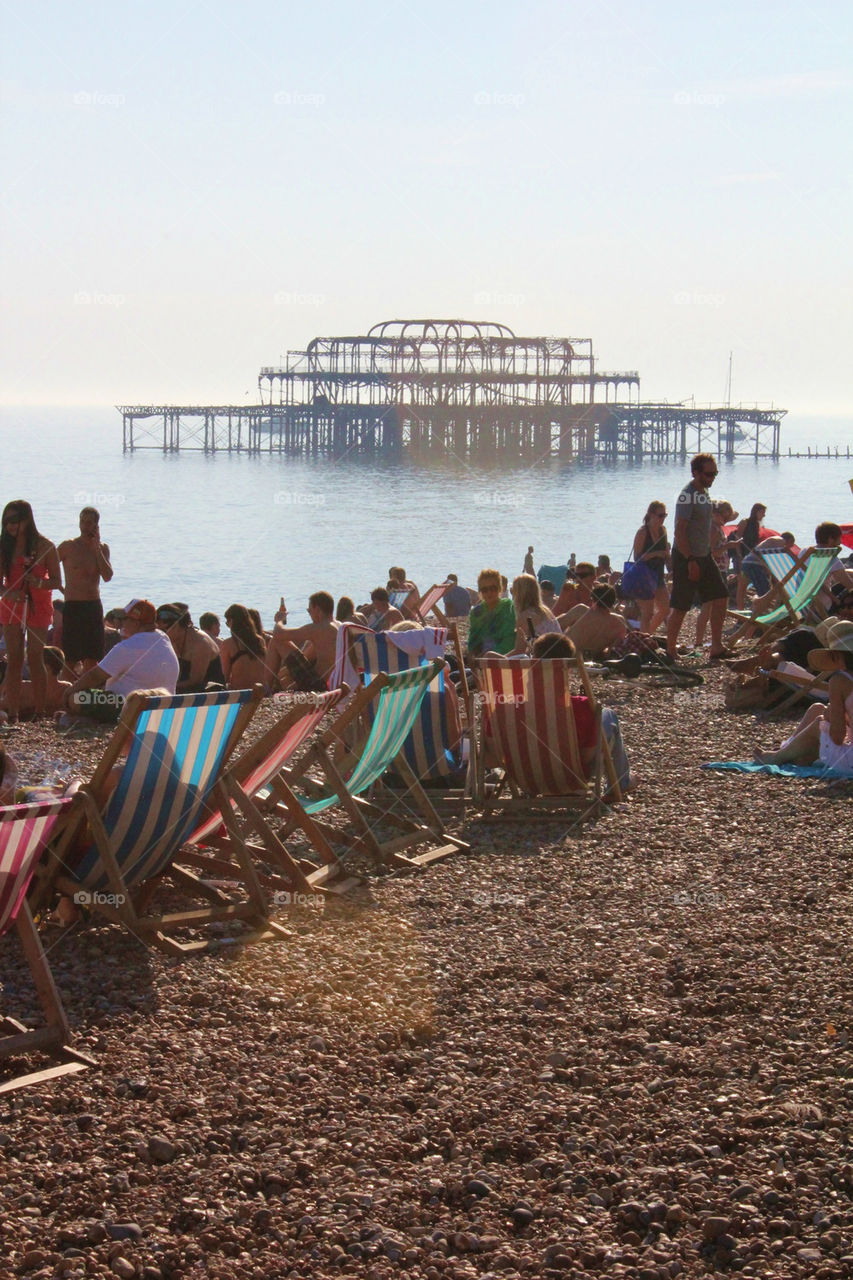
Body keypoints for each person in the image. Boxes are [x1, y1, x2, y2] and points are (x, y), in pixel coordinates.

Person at [754, 621, 853, 775]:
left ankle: (777, 757)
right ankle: (789, 751)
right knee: (817, 708)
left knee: (819, 723)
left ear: (837, 655)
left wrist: (833, 715)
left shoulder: (840, 680)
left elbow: (837, 738)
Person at [62, 599, 179, 722]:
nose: (121, 624)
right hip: (162, 705)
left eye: (125, 619)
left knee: (76, 698)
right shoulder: (162, 637)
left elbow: (95, 676)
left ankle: (93, 720)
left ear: (136, 622)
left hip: (128, 705)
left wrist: (69, 691)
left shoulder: (130, 646)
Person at [0, 500, 62, 721]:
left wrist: (39, 583)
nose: (10, 526)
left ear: (27, 520)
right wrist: (9, 593)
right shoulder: (3, 545)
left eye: (14, 521)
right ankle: (13, 712)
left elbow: (56, 581)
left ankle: (39, 711)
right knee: (14, 658)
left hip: (39, 606)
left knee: (36, 657)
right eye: (6, 520)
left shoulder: (45, 546)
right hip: (11, 605)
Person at [665, 453, 728, 661]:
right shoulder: (687, 495)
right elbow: (679, 531)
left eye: (715, 473)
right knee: (681, 605)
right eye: (708, 474)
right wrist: (690, 560)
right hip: (687, 556)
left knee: (720, 597)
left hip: (704, 555)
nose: (712, 477)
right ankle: (670, 649)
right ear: (695, 472)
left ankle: (717, 646)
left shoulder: (704, 492)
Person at [57, 507, 113, 673]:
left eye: (89, 522)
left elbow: (107, 575)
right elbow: (48, 567)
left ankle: (89, 695)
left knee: (92, 658)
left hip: (93, 606)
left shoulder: (102, 549)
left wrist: (96, 548)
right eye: (82, 521)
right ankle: (65, 695)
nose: (84, 526)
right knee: (70, 659)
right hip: (73, 606)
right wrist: (62, 589)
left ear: (96, 525)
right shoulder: (68, 546)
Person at [267, 590, 340, 690]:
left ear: (317, 609)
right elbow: (306, 657)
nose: (309, 614)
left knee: (276, 641)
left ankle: (266, 690)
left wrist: (279, 620)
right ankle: (272, 687)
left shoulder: (320, 628)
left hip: (318, 685)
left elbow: (278, 634)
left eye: (309, 610)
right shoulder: (338, 626)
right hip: (333, 682)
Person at [157, 603, 224, 693]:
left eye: (164, 630)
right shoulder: (173, 638)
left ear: (177, 626)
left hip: (208, 695)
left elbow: (195, 681)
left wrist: (164, 687)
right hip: (183, 692)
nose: (161, 633)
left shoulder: (200, 643)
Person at [0, 645, 71, 718]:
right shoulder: (65, 688)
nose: (28, 669)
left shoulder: (24, 688)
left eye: (30, 665)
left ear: (46, 668)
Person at [632, 501, 671, 634]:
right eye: (660, 515)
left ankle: (648, 635)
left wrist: (670, 565)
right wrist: (655, 553)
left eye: (664, 515)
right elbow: (637, 558)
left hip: (658, 574)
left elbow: (666, 553)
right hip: (644, 575)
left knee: (666, 608)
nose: (662, 519)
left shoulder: (663, 530)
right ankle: (645, 639)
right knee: (647, 613)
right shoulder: (643, 532)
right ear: (650, 515)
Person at [564, 583, 628, 658]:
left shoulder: (581, 611)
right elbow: (610, 652)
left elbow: (553, 626)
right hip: (591, 665)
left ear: (592, 599)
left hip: (567, 659)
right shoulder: (619, 622)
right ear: (613, 602)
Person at [466, 568, 516, 658]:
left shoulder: (508, 607)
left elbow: (510, 639)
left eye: (493, 588)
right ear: (480, 591)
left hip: (505, 658)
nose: (489, 593)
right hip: (482, 659)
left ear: (500, 588)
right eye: (484, 590)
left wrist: (490, 654)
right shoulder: (476, 612)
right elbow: (473, 639)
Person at [220, 603, 267, 690]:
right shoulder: (260, 640)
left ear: (232, 621)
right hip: (261, 691)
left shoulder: (228, 644)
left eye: (227, 622)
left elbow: (224, 676)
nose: (227, 625)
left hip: (241, 693)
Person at [510, 574, 561, 653]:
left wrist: (499, 659)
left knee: (490, 655)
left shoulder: (525, 616)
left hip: (544, 660)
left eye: (513, 590)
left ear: (519, 593)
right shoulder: (545, 611)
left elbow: (519, 650)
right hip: (559, 655)